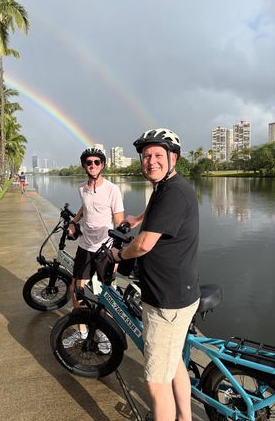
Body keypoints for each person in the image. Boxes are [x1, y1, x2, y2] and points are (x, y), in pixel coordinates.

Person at [111, 128, 200, 421]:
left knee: (155, 383)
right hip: (176, 293)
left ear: (173, 158)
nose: (150, 161)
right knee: (173, 364)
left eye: (158, 155)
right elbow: (153, 211)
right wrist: (136, 219)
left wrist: (118, 255)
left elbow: (145, 244)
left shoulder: (173, 193)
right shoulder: (166, 188)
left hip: (167, 303)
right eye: (146, 155)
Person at [64, 147, 124, 347]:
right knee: (76, 288)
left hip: (104, 250)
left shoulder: (112, 190)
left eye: (97, 162)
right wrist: (73, 221)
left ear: (103, 165)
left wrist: (116, 255)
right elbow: (84, 207)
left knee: (108, 294)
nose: (93, 165)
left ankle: (105, 335)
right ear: (84, 165)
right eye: (89, 162)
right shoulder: (82, 188)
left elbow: (119, 222)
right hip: (85, 246)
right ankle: (82, 331)